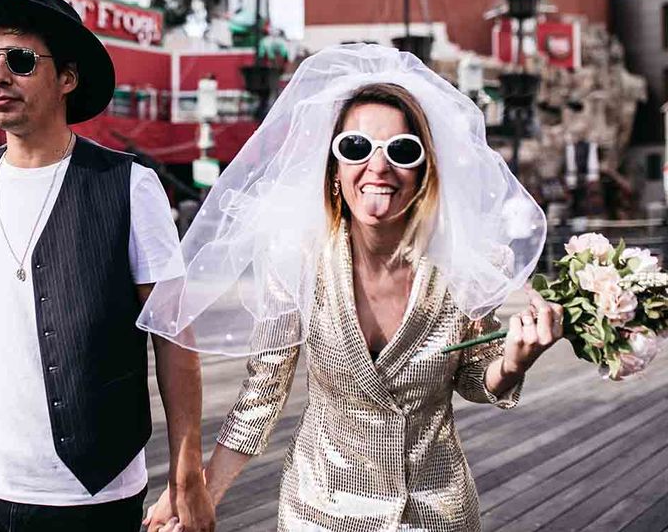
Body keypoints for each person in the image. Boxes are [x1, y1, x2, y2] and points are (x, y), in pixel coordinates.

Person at [139, 44, 562, 531]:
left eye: (402, 151)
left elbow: (473, 378)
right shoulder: (295, 259)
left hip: (435, 513)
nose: (378, 167)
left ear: (424, 172)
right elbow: (263, 393)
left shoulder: (465, 265)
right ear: (334, 170)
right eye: (356, 148)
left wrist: (512, 363)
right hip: (320, 510)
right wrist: (197, 493)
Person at [0, 0, 214, 532]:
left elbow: (174, 337)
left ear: (67, 78)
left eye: (20, 61)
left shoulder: (128, 186)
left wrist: (188, 473)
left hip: (88, 493)